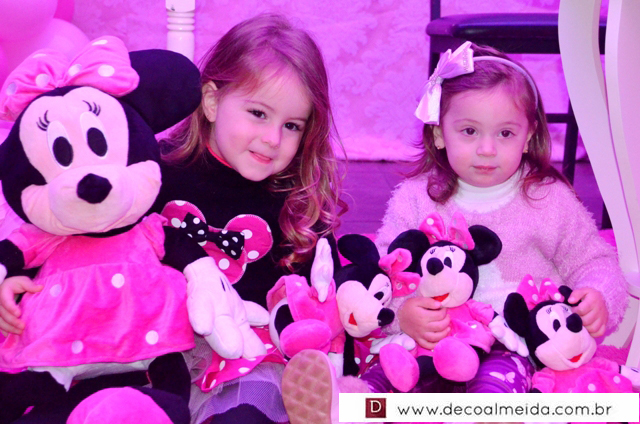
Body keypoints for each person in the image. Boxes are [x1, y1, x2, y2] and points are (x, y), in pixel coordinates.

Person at [0, 13, 346, 424]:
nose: (273, 138)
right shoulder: (152, 172)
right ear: (212, 101)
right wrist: (16, 277)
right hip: (153, 353)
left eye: (291, 125)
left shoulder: (296, 204)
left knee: (245, 415)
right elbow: (79, 235)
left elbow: (324, 297)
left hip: (246, 359)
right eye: (258, 113)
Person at [371, 41, 627, 393]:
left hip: (510, 346)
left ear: (528, 136)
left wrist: (598, 296)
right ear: (439, 133)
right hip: (431, 340)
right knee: (380, 381)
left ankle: (485, 410)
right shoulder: (415, 198)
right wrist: (403, 313)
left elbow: (595, 261)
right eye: (470, 131)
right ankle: (349, 402)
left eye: (505, 133)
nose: (487, 149)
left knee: (494, 391)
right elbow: (384, 271)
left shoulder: (549, 199)